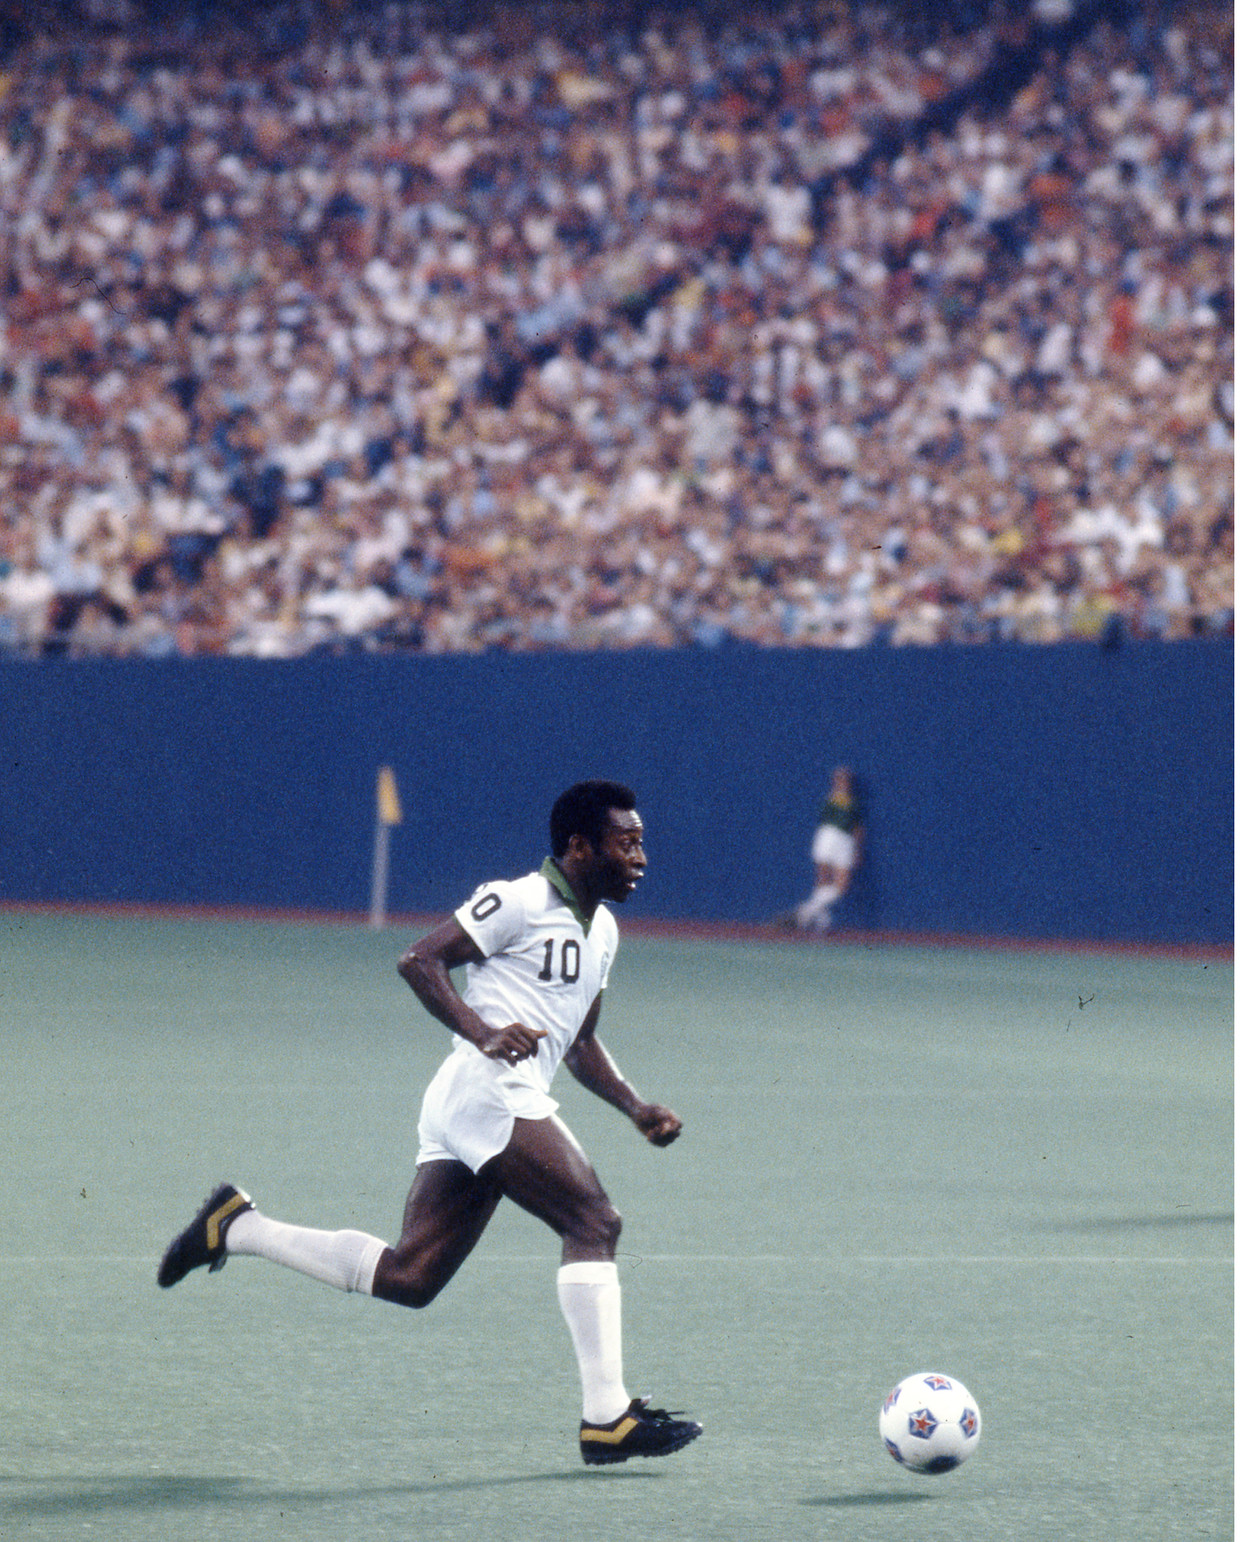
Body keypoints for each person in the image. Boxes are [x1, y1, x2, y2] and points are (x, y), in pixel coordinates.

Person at [157, 779, 702, 1467]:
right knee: (594, 1223)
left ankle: (238, 1227)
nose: (640, 856)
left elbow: (581, 1039)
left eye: (641, 843)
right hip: (488, 1090)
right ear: (578, 846)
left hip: (479, 1098)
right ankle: (607, 1419)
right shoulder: (520, 899)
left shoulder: (606, 931)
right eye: (626, 843)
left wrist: (633, 1105)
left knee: (411, 1277)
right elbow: (419, 958)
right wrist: (482, 1032)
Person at [794, 767, 864, 932]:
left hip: (845, 842)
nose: (842, 783)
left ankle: (806, 910)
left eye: (844, 780)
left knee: (842, 887)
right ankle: (821, 920)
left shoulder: (854, 804)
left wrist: (857, 850)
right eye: (838, 779)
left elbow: (858, 829)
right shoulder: (829, 800)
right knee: (822, 881)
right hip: (826, 837)